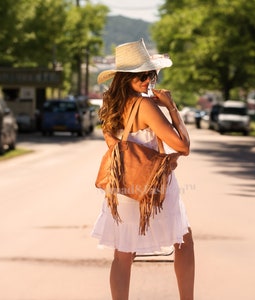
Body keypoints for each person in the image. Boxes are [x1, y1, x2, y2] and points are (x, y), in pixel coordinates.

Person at [92, 38, 194, 300]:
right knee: (183, 241)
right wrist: (171, 107)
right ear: (126, 77)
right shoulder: (145, 105)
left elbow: (119, 149)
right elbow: (182, 145)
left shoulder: (109, 105)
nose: (149, 80)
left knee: (123, 253)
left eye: (151, 74)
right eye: (142, 75)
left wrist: (163, 158)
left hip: (123, 187)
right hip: (151, 187)